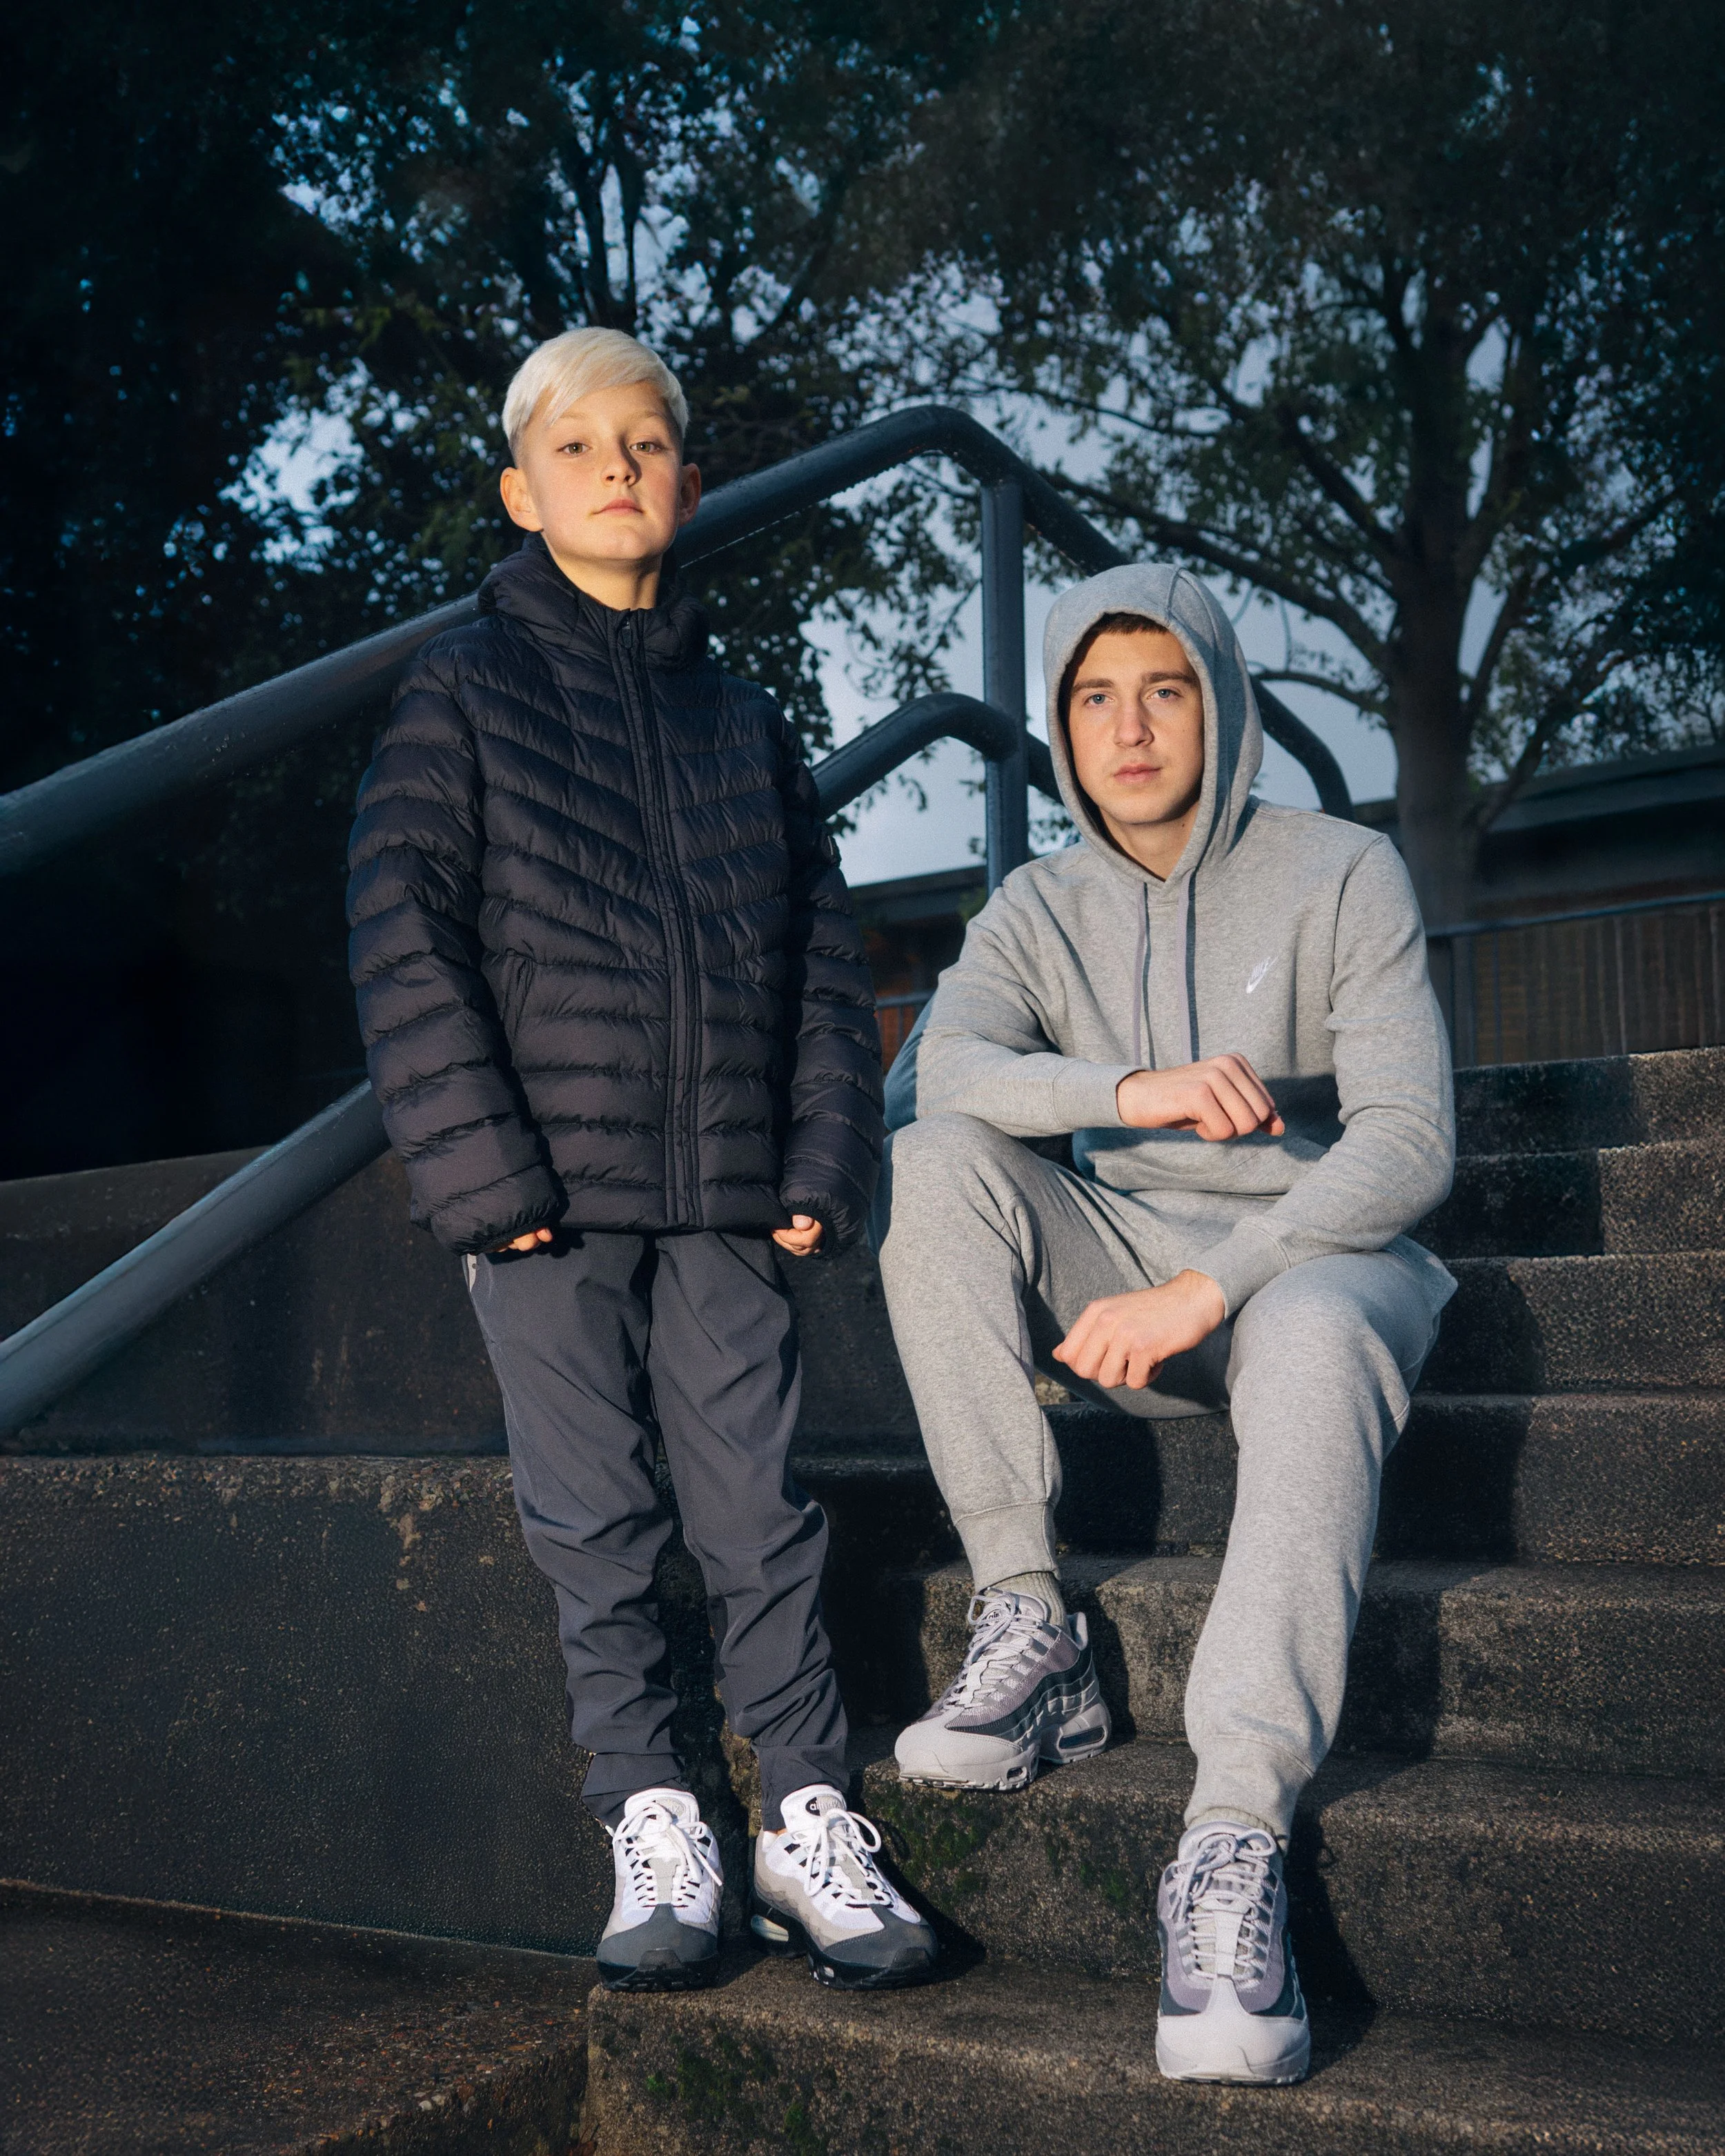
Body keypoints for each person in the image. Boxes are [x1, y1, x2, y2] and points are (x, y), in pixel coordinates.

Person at [346, 326, 936, 1995]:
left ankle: (807, 1818)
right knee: (597, 1521)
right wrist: (487, 1179)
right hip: (545, 1201)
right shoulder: (460, 692)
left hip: (731, 1194)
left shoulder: (740, 718)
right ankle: (655, 1817)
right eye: (580, 445)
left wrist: (825, 1148)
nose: (619, 466)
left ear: (685, 479)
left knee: (761, 1511)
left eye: (650, 441)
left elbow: (826, 959)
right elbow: (403, 931)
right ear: (523, 490)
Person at [874, 564, 1455, 2083]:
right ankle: (1031, 1619)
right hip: (1120, 1251)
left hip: (1318, 1258)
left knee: (1320, 1328)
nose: (1127, 728)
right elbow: (941, 1077)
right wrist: (1126, 1091)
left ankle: (1228, 1839)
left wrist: (1214, 1283)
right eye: (1091, 696)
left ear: (1218, 700)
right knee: (932, 1168)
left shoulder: (1339, 867)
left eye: (1164, 689)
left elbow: (1407, 1141)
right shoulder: (1038, 901)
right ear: (1059, 725)